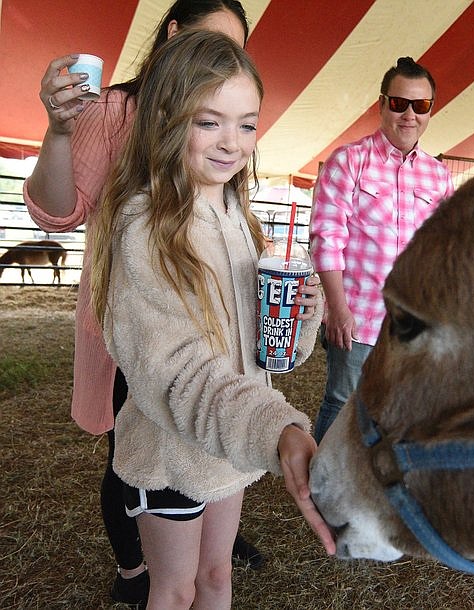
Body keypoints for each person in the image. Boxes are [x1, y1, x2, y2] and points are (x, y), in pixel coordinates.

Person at [22, 1, 265, 605]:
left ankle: (191, 548)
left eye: (232, 53)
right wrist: (59, 132)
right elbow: (58, 211)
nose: (216, 65)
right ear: (174, 35)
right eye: (209, 45)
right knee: (136, 449)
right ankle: (136, 568)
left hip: (214, 352)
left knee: (201, 509)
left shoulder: (226, 168)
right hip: (135, 330)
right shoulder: (117, 113)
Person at [89, 29, 335, 609]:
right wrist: (277, 429)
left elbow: (263, 352)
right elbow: (179, 375)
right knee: (172, 590)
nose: (233, 142)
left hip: (229, 445)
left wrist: (299, 318)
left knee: (217, 578)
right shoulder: (143, 227)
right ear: (167, 119)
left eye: (247, 123)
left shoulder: (235, 214)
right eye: (209, 122)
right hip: (173, 450)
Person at [309, 57, 454, 442]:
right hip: (358, 319)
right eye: (399, 103)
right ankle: (316, 498)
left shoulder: (439, 175)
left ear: (431, 110)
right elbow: (326, 237)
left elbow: (443, 250)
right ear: (382, 104)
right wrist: (337, 309)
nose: (409, 115)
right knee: (343, 404)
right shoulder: (348, 161)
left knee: (397, 411)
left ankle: (370, 493)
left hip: (412, 323)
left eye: (420, 105)